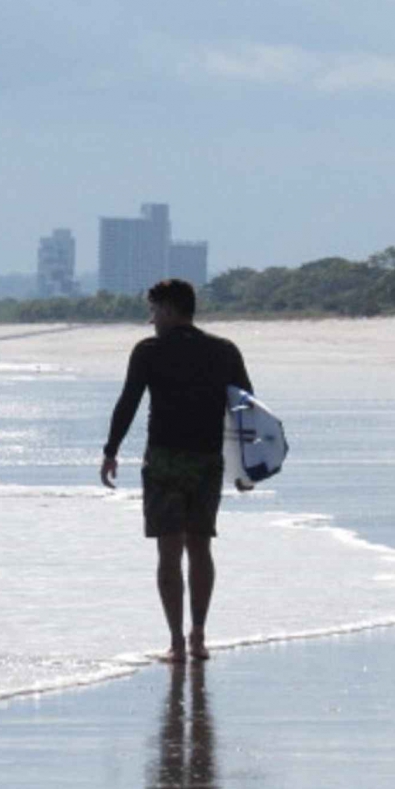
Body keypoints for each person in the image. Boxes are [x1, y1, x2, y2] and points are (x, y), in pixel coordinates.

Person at [100, 278, 252, 664]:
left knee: (169, 552)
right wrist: (247, 467)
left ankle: (176, 644)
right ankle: (198, 636)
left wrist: (111, 451)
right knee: (200, 547)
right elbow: (245, 408)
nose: (151, 320)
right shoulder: (224, 350)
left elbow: (129, 402)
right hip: (207, 461)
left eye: (153, 311)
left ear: (168, 309)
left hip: (164, 461)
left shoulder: (149, 351)